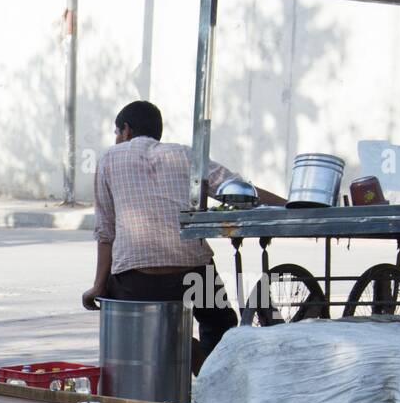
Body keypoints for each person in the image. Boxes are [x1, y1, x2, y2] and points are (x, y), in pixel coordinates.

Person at [82, 100, 284, 365]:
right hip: (192, 273)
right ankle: (213, 377)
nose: (117, 138)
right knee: (220, 323)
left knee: (122, 311)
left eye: (117, 132)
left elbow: (105, 232)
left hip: (137, 282)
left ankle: (176, 347)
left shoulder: (108, 159)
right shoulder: (187, 155)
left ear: (127, 130)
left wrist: (97, 286)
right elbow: (239, 190)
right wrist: (288, 205)